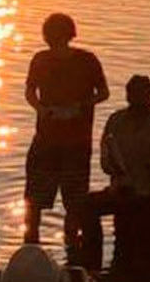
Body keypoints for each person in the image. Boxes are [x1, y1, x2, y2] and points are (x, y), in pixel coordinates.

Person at [22, 13, 110, 246]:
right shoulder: (40, 60)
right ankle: (38, 245)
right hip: (48, 140)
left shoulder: (87, 60)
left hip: (74, 143)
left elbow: (103, 93)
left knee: (71, 202)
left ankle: (63, 245)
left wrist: (80, 106)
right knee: (37, 200)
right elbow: (30, 92)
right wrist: (41, 109)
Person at [75, 75, 150, 271]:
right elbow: (105, 161)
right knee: (87, 205)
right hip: (120, 189)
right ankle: (91, 263)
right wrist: (119, 174)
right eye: (134, 95)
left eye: (142, 96)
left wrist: (146, 176)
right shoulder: (116, 120)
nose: (138, 100)